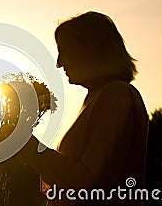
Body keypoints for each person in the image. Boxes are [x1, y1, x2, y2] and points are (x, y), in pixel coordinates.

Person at [18, 12, 149, 206]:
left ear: (91, 49)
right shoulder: (99, 97)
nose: (59, 63)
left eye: (65, 50)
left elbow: (88, 182)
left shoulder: (117, 95)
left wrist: (30, 149)